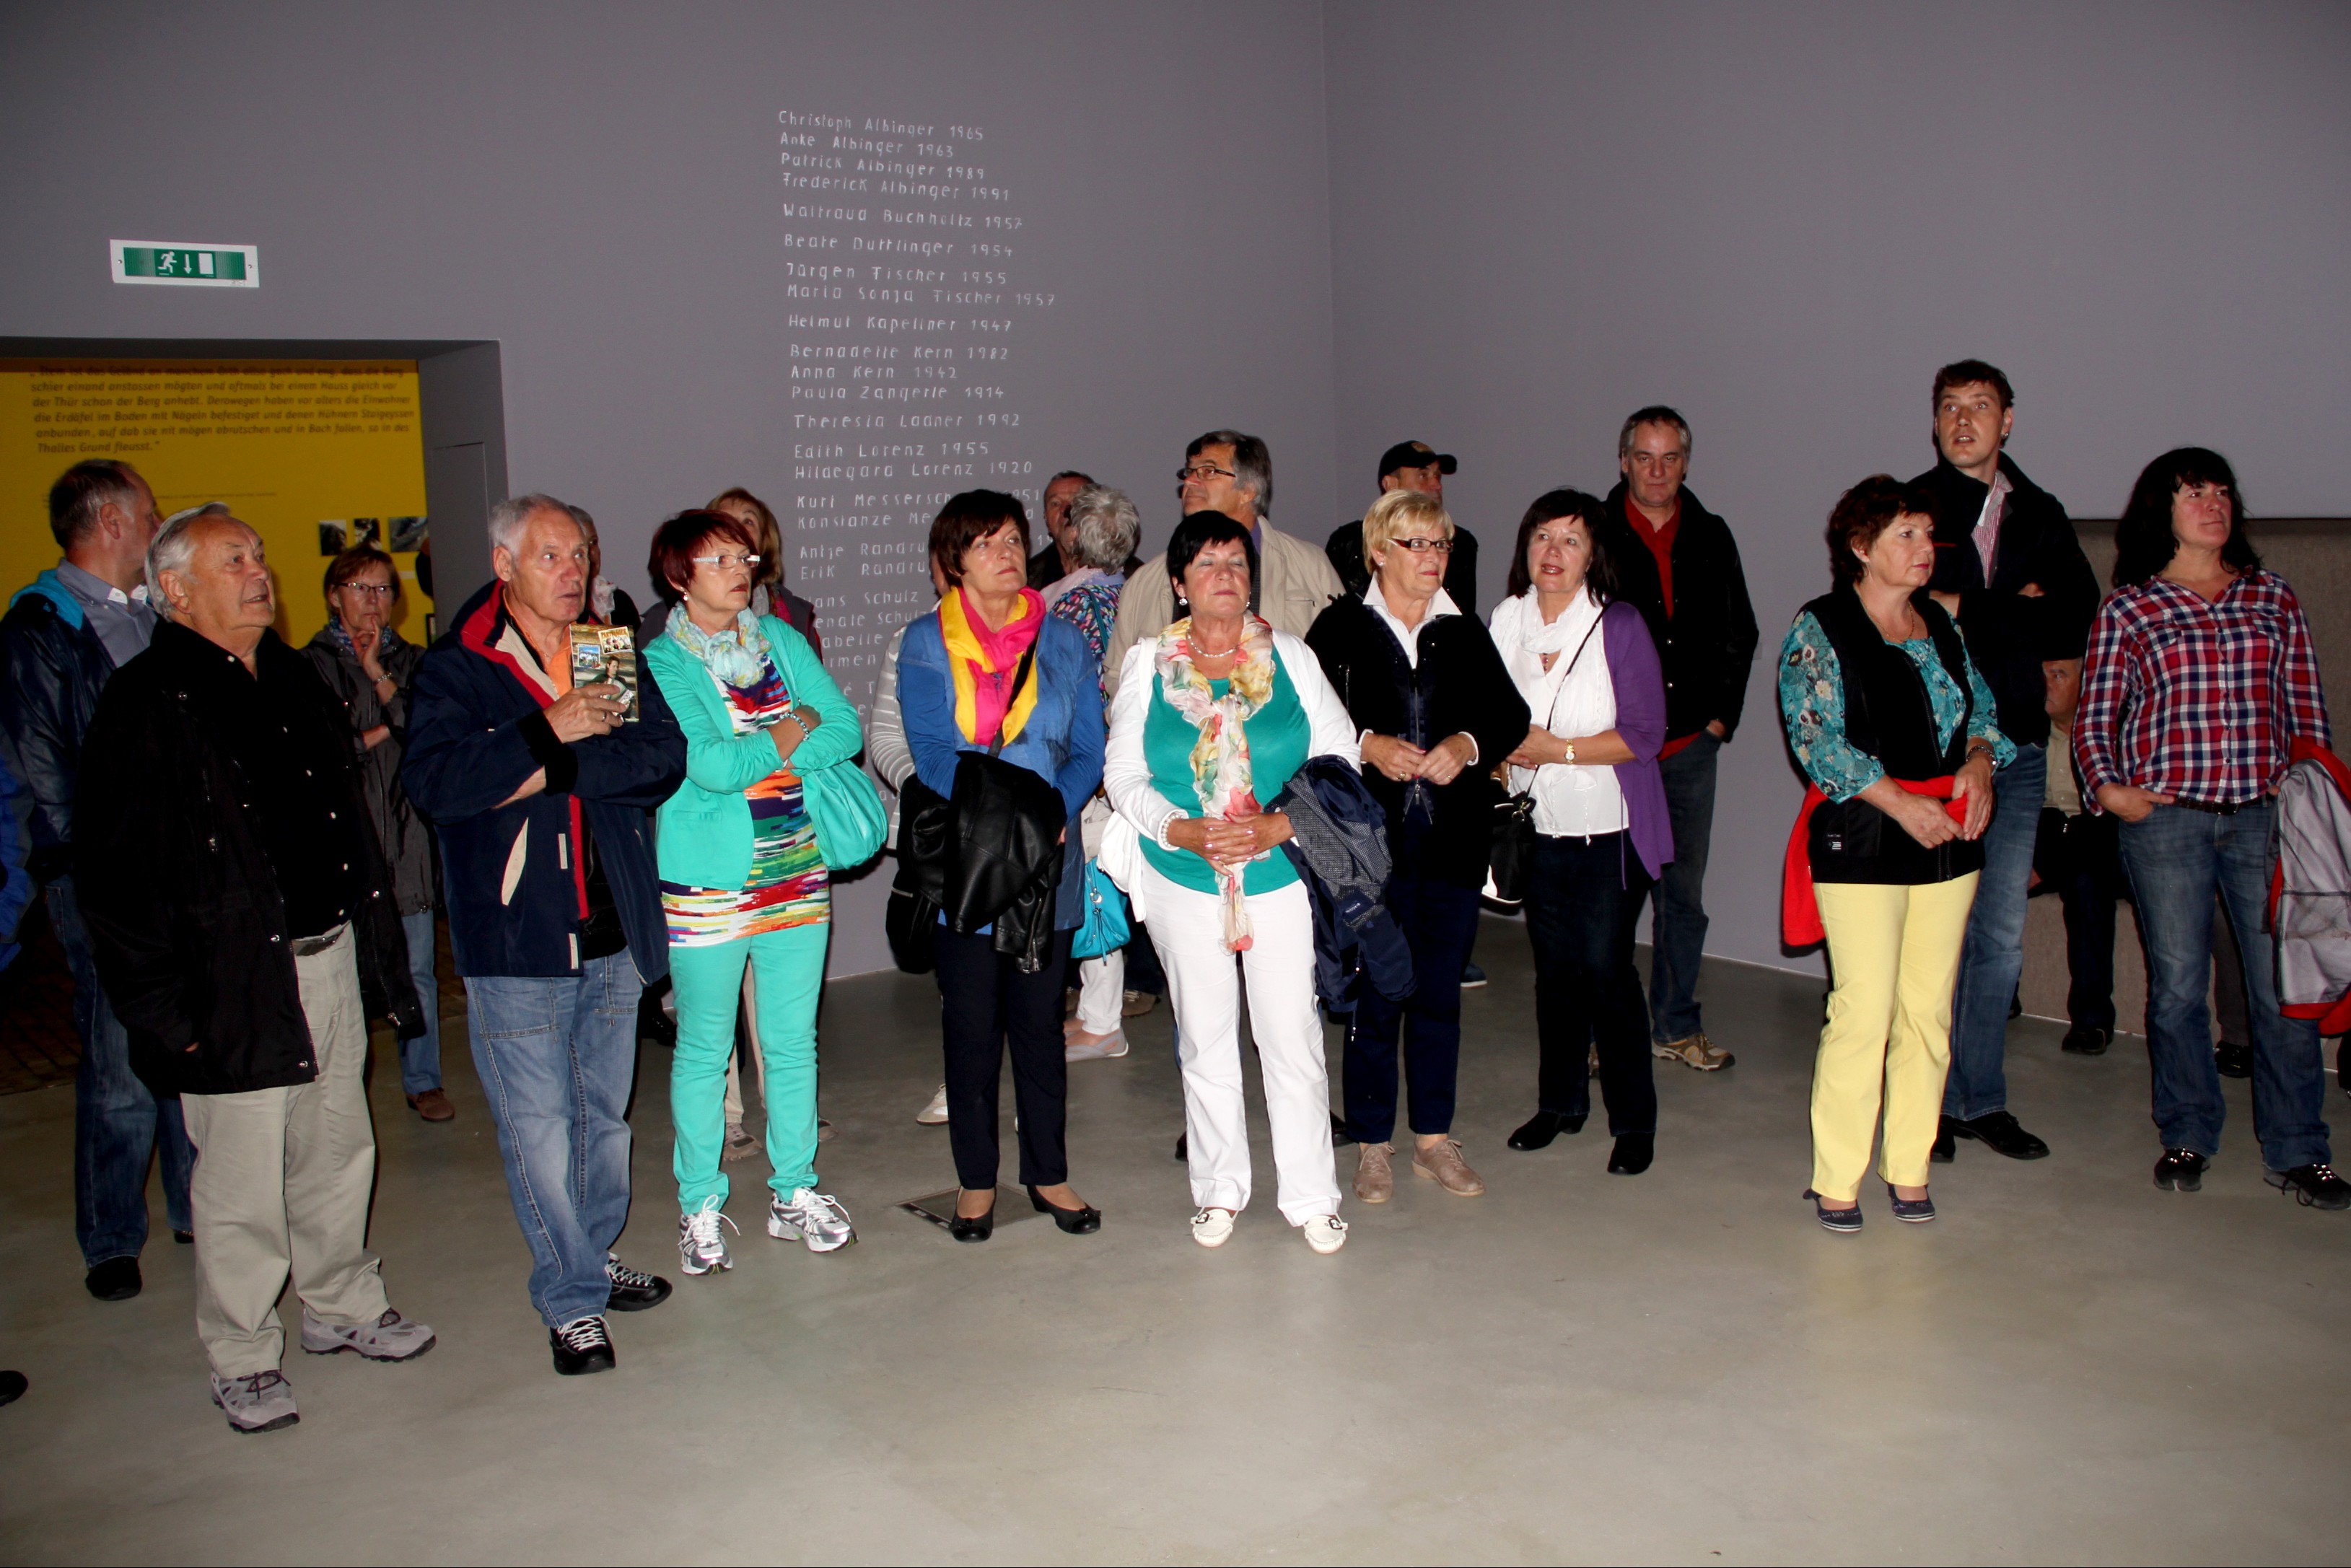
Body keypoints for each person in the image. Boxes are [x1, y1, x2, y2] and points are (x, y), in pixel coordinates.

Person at [75, 507, 436, 1433]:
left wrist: (371, 945)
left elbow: (345, 819)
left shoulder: (291, 677)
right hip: (229, 980)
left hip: (327, 954)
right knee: (239, 1183)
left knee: (338, 1146)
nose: (258, 572)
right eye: (233, 560)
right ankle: (241, 1352)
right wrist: (167, 1015)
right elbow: (114, 880)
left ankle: (340, 1304)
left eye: (259, 556)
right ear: (175, 589)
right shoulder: (146, 702)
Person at [403, 494, 688, 1375]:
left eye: (580, 555)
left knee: (603, 1120)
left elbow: (658, 760)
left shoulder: (606, 647)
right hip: (517, 937)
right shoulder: (460, 666)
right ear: (504, 565)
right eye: (551, 556)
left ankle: (590, 1257)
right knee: (538, 1128)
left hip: (611, 927)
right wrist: (547, 728)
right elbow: (439, 787)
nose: (573, 572)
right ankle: (570, 1301)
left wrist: (544, 764)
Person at [2074, 448, 2347, 1210]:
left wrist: (2308, 798)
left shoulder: (2272, 596)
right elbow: (2095, 718)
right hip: (2167, 824)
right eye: (2194, 492)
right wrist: (2110, 790)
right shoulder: (2131, 607)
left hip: (2262, 820)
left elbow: (2307, 711)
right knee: (2178, 989)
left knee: (2281, 987)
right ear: (2161, 509)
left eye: (2222, 491)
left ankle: (2300, 1148)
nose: (2213, 504)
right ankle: (2188, 1132)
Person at [1105, 510, 1360, 1253]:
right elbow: (1123, 775)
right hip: (1182, 876)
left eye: (1238, 563)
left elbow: (1341, 753)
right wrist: (1176, 827)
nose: (1226, 575)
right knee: (1205, 1040)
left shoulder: (1292, 658)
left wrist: (1283, 823)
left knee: (1291, 1037)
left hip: (1278, 875)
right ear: (1179, 583)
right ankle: (1219, 1190)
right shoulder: (1147, 664)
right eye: (1208, 563)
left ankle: (1312, 1196)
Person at [1779, 477, 2010, 1232]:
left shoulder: (1939, 622)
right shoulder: (1821, 625)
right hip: (1865, 836)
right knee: (1864, 1010)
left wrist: (1980, 762)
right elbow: (1817, 739)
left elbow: (1982, 711)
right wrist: (1902, 803)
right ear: (1860, 547)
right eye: (1904, 535)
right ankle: (1837, 1178)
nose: (1924, 548)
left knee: (1927, 1011)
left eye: (1926, 534)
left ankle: (1909, 1166)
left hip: (1949, 836)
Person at [641, 509, 859, 1273]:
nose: (741, 569)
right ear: (679, 577)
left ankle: (794, 1191)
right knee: (706, 1047)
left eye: (745, 556)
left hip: (796, 868)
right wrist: (792, 729)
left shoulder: (781, 642)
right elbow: (711, 766)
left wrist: (772, 744)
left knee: (792, 1043)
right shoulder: (663, 660)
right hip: (709, 881)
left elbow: (844, 728)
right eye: (721, 560)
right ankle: (700, 1204)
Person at [0, 459, 193, 1302]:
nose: (155, 528)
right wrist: (106, 863)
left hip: (179, 869)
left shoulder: (152, 615)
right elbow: (44, 770)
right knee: (118, 1054)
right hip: (102, 879)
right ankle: (112, 1234)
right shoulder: (40, 628)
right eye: (148, 514)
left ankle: (195, 1205)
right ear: (111, 522)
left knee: (189, 1036)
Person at [1307, 488, 1525, 1201]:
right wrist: (1367, 744)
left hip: (1453, 846)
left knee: (1438, 995)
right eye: (1417, 544)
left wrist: (1467, 743)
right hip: (1369, 849)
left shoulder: (1463, 630)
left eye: (1441, 545)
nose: (1433, 558)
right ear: (1379, 550)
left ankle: (1434, 1139)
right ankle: (1374, 1143)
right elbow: (1301, 718)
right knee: (1376, 996)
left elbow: (1510, 714)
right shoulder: (1339, 627)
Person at [899, 491, 1105, 1240]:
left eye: (1014, 539)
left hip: (1049, 856)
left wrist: (1050, 815)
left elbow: (1088, 749)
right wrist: (1008, 817)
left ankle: (1048, 1172)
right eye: (986, 543)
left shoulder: (1065, 640)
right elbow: (931, 753)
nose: (1007, 553)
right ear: (954, 561)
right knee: (972, 1028)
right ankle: (977, 1181)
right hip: (972, 858)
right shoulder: (927, 641)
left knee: (1041, 1027)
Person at [1911, 361, 2098, 1163]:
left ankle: (1978, 1099)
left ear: (2007, 420)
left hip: (2018, 746)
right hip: (1936, 752)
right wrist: (2010, 609)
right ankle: (1923, 1106)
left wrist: (1968, 608)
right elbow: (1906, 611)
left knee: (1999, 935)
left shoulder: (2040, 512)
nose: (1963, 421)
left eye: (1979, 407)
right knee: (1934, 933)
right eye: (1949, 408)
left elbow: (2077, 614)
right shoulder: (1911, 508)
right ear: (1934, 422)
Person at [1489, 491, 1674, 1173]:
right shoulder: (1506, 619)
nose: (1554, 551)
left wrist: (1555, 749)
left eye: (1571, 539)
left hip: (1609, 829)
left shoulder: (1617, 624)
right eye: (1543, 536)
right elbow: (1485, 712)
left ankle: (1634, 1120)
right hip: (1536, 829)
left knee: (1605, 971)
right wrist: (1499, 755)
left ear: (1593, 553)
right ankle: (1560, 1103)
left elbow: (1646, 735)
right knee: (1555, 973)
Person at [1593, 406, 1757, 1074]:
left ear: (1685, 463)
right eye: (1644, 457)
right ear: (1624, 461)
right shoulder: (1595, 532)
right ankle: (1607, 1033)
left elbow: (1740, 630)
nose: (1657, 471)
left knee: (1682, 896)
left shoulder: (1711, 534)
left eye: (1670, 458)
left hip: (1691, 745)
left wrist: (1721, 719)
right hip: (1617, 752)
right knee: (1610, 898)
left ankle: (1677, 1025)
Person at [302, 545, 450, 1122]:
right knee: (343, 976)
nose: (372, 600)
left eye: (383, 588)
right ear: (333, 595)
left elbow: (429, 732)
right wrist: (386, 730)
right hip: (342, 839)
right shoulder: (308, 665)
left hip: (408, 835)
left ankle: (424, 1080)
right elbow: (321, 752)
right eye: (359, 587)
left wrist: (378, 677)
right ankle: (340, 1091)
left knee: (418, 969)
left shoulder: (414, 661)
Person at [1103, 430, 1344, 691]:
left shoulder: (1311, 567)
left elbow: (1345, 664)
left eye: (1208, 471)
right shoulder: (1145, 581)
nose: (1190, 481)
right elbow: (1118, 678)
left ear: (1248, 490)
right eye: (1189, 472)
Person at [1050, 485, 1147, 1061]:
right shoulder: (1136, 596)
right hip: (1128, 760)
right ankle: (1095, 1012)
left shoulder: (1069, 607)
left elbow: (1066, 699)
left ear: (1074, 536)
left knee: (1094, 882)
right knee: (1101, 879)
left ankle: (1103, 1021)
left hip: (1091, 765)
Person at [2030, 658, 2127, 1056]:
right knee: (1985, 877)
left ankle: (2092, 1020)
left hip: (2099, 846)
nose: (2046, 684)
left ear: (2086, 685)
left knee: (2087, 883)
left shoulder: (2115, 736)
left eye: (2058, 675)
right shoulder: (2029, 734)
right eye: (2042, 675)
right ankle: (1998, 996)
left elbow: (2114, 820)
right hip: (2045, 839)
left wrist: (2046, 866)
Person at [1323, 441, 1480, 612]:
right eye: (1423, 476)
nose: (1437, 485)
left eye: (1438, 476)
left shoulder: (1461, 543)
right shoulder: (1347, 543)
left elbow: (1461, 613)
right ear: (1391, 484)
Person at [707, 487, 822, 652]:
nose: (736, 528)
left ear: (765, 541)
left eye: (748, 521)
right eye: (725, 520)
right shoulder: (674, 617)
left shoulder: (797, 616)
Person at [1029, 470, 1132, 590]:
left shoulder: (1135, 576)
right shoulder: (1028, 575)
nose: (1065, 509)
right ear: (1046, 517)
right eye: (1055, 503)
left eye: (1075, 501)